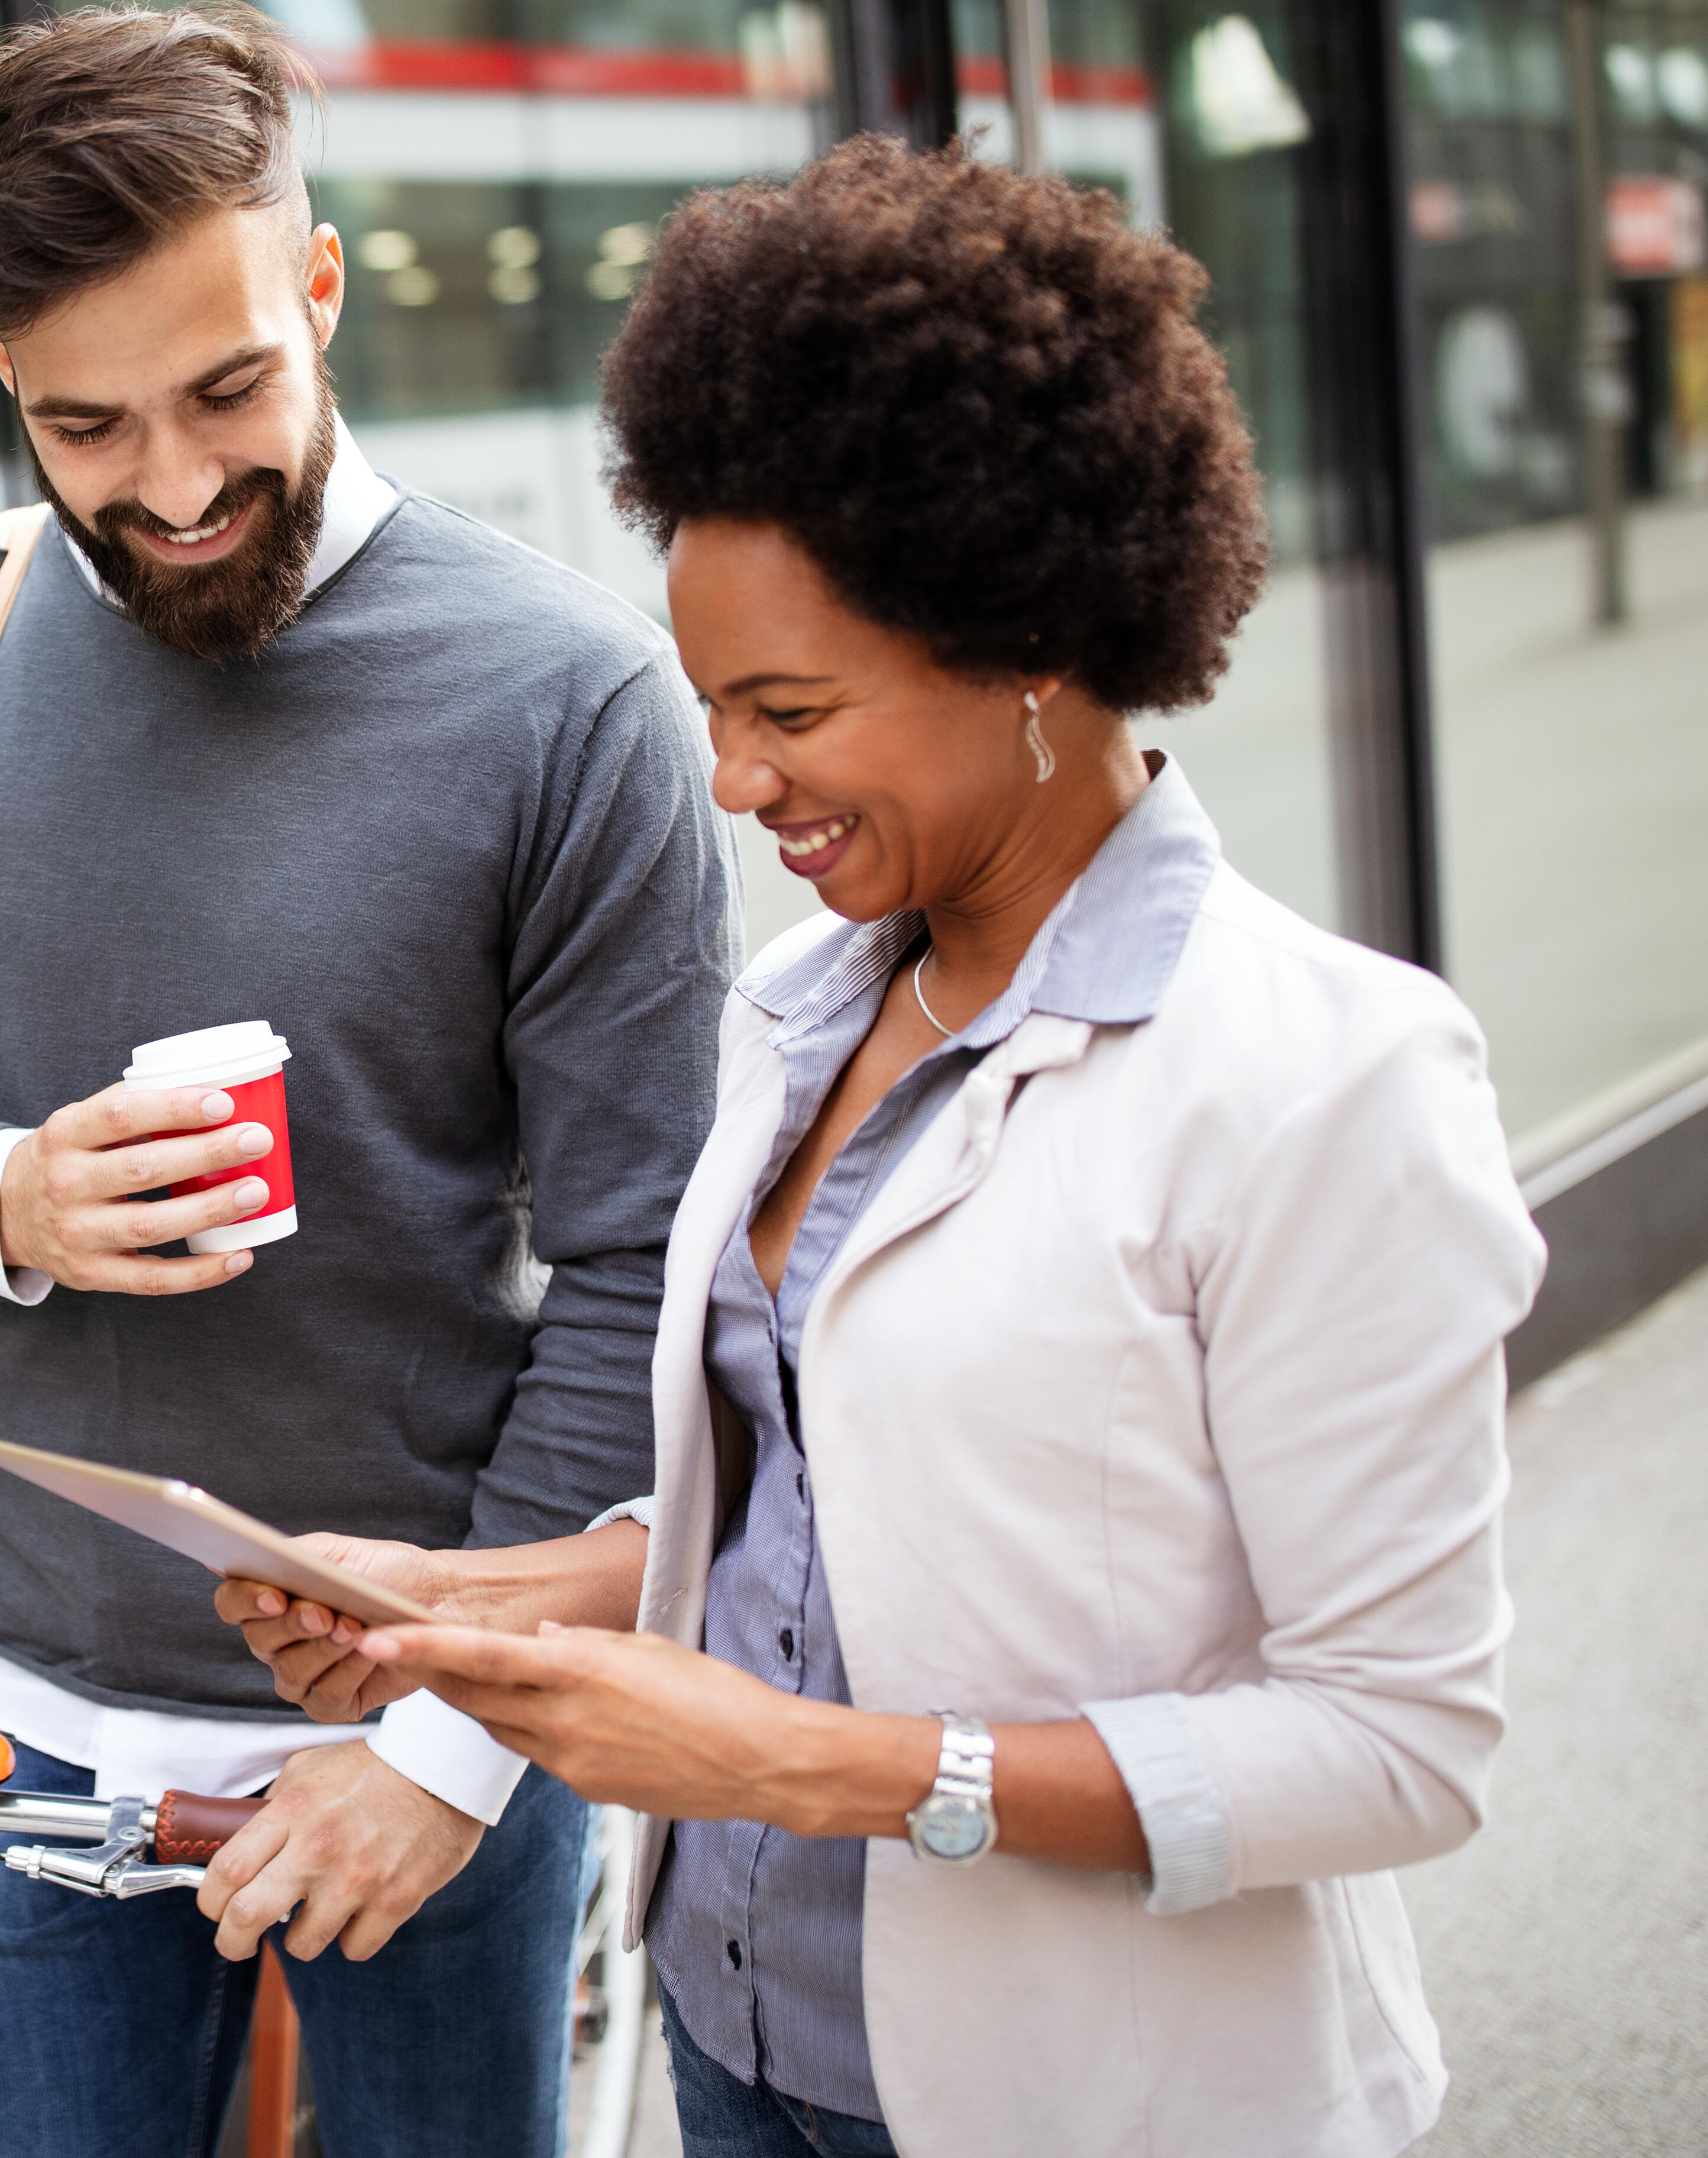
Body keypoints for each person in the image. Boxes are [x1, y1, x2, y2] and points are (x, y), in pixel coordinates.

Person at [224, 139, 1547, 2158]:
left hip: (1093, 2090)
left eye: (789, 708)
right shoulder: (808, 1007)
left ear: (1021, 641)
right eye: (713, 710)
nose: (738, 780)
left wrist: (828, 1765)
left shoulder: (1324, 1079)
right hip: (748, 2037)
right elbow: (798, 1529)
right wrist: (469, 1598)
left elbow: (1399, 1742)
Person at [0, 9, 739, 2151]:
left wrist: (453, 1743)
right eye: (85, 423)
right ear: (3, 376)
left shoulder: (569, 699)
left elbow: (648, 1269)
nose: (171, 487)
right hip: (16, 1718)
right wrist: (5, 1198)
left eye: (229, 388)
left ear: (324, 289)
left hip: (419, 1713)